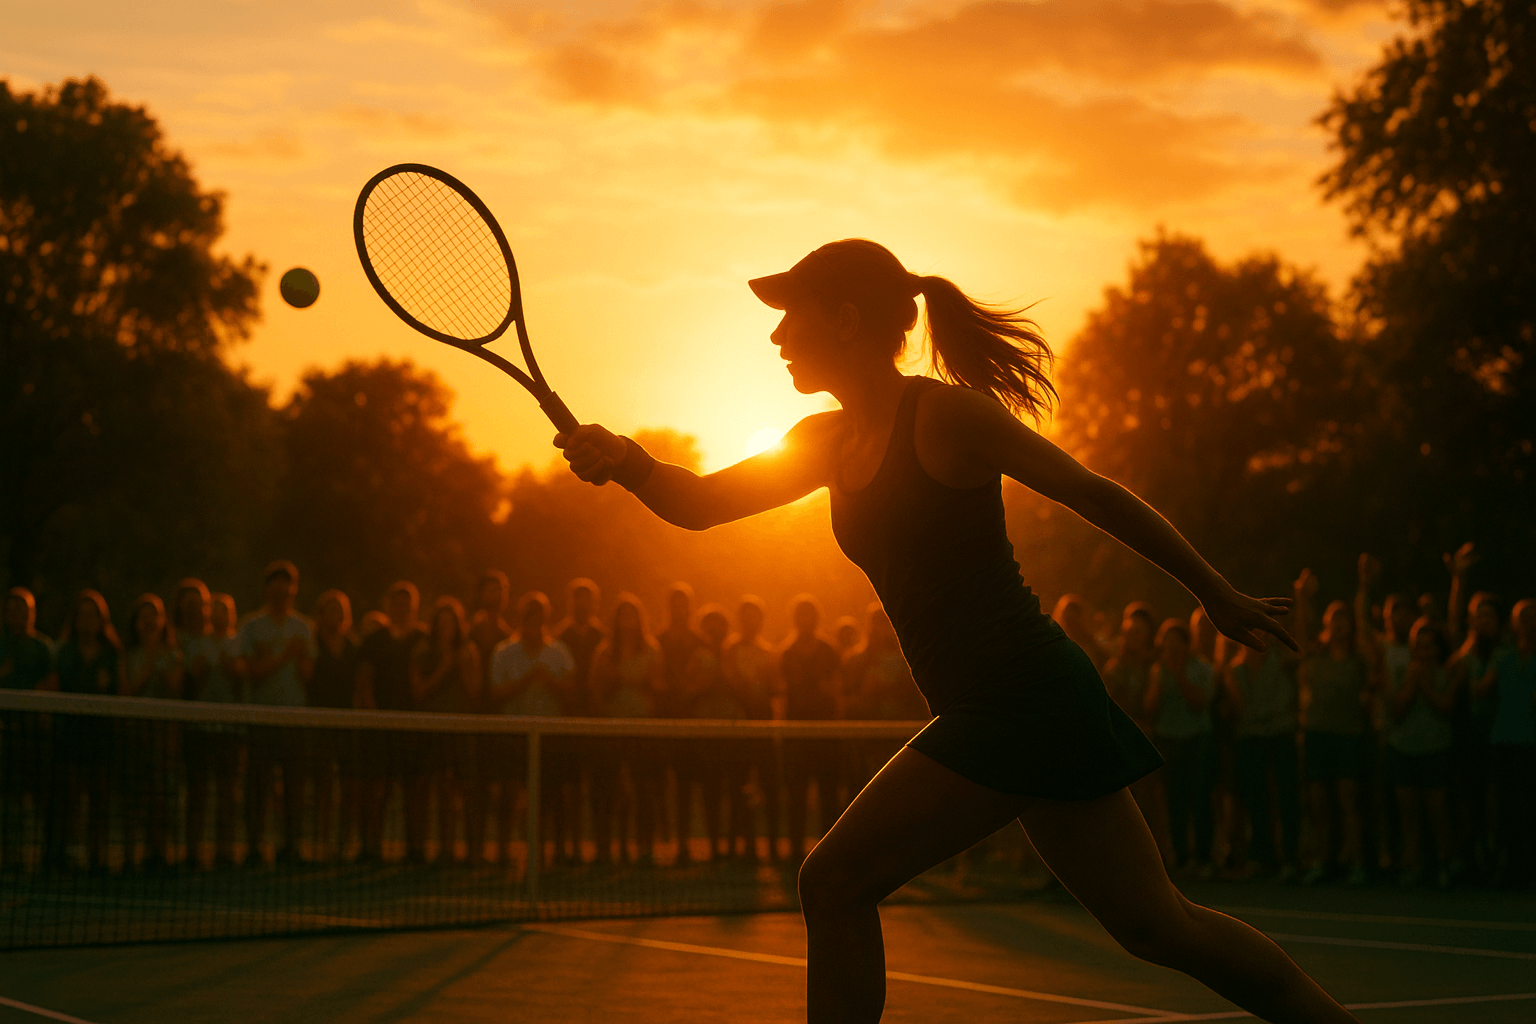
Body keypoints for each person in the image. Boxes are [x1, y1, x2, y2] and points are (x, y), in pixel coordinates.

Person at [556, 238, 1358, 1022]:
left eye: (788, 316)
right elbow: (699, 504)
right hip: (1016, 709)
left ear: (843, 320)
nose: (774, 336)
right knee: (1159, 928)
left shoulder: (946, 417)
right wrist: (625, 458)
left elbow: (1095, 494)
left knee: (832, 881)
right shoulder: (824, 442)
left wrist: (1213, 592)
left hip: (1021, 700)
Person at [1222, 576, 1304, 882]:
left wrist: (1300, 597)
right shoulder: (1234, 670)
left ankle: (1290, 857)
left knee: (1287, 798)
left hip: (1280, 734)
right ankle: (1262, 855)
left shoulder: (1283, 660)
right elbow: (1240, 710)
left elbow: (1302, 640)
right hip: (1251, 739)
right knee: (1256, 799)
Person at [1297, 584, 1378, 887]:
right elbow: (1301, 632)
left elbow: (1368, 632)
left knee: (1349, 801)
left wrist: (1362, 587)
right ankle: (1322, 860)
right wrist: (1303, 598)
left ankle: (1355, 862)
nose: (1340, 625)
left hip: (1349, 735)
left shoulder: (1359, 659)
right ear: (1326, 624)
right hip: (1317, 734)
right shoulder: (1315, 655)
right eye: (1335, 619)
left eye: (1346, 620)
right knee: (1318, 803)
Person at [489, 592, 574, 871]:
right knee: (509, 794)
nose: (534, 624)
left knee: (552, 797)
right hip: (514, 734)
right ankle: (503, 851)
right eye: (529, 618)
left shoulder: (559, 651)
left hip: (550, 736)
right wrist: (525, 680)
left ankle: (555, 852)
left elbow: (572, 692)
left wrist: (550, 681)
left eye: (539, 619)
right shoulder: (504, 652)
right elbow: (495, 693)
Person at [239, 561, 315, 866]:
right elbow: (252, 672)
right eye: (277, 585)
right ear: (266, 589)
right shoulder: (250, 626)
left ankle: (291, 846)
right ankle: (255, 847)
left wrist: (278, 658)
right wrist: (285, 655)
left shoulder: (304, 627)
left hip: (294, 720)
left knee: (294, 788)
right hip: (261, 720)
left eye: (288, 586)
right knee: (258, 788)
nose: (283, 592)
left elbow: (307, 673)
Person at [47, 590, 125, 872]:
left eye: (93, 615)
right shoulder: (63, 651)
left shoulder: (111, 653)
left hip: (101, 736)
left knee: (100, 800)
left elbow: (121, 692)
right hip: (70, 736)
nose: (88, 621)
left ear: (101, 620)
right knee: (69, 799)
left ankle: (98, 854)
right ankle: (64, 852)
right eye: (83, 615)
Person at [588, 593, 664, 865]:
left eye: (633, 615)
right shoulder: (604, 652)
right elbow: (597, 690)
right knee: (609, 792)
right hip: (612, 729)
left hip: (641, 730)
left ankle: (644, 848)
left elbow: (656, 685)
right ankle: (607, 849)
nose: (628, 621)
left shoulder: (652, 649)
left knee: (643, 791)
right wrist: (621, 681)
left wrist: (623, 676)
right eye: (623, 615)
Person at [357, 581, 428, 862]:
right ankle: (372, 848)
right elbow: (364, 681)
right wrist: (374, 717)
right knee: (378, 790)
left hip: (414, 729)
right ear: (388, 605)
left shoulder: (424, 638)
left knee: (414, 791)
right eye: (396, 603)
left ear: (414, 608)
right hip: (382, 728)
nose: (401, 609)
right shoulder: (374, 640)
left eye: (407, 604)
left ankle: (415, 849)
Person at [411, 596, 483, 864]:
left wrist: (463, 666)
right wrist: (445, 667)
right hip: (432, 728)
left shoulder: (468, 651)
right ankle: (443, 849)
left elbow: (475, 691)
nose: (446, 627)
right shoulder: (422, 650)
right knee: (437, 788)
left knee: (465, 789)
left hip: (461, 728)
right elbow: (419, 691)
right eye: (441, 622)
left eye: (451, 622)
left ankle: (472, 852)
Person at [1384, 618, 1456, 887]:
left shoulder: (1447, 671)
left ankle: (1444, 864)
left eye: (1429, 647)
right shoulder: (1403, 671)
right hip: (1404, 749)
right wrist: (1412, 683)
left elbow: (1446, 706)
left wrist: (1425, 685)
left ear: (1437, 648)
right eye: (1419, 647)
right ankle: (1411, 865)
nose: (1424, 653)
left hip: (1435, 749)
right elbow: (1397, 711)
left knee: (1438, 812)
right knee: (1409, 814)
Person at [177, 580, 244, 869]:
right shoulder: (195, 642)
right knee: (198, 792)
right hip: (200, 729)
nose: (217, 615)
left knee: (228, 792)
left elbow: (242, 677)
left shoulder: (238, 642)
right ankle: (192, 852)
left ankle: (226, 851)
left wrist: (233, 666)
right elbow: (194, 676)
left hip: (230, 729)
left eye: (224, 611)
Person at [1145, 619, 1216, 877]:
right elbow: (1150, 707)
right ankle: (1181, 857)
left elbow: (1200, 702)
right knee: (1174, 801)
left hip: (1197, 739)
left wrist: (1177, 674)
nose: (1171, 647)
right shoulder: (1158, 670)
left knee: (1200, 800)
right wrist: (1161, 677)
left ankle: (1204, 857)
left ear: (1187, 645)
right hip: (1169, 739)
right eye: (1167, 641)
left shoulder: (1201, 668)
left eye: (1176, 642)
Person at [1472, 599, 1536, 888]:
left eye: (1533, 616)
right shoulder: (1503, 655)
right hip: (1505, 739)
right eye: (1523, 617)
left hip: (1531, 740)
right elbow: (1480, 690)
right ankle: (1512, 866)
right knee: (1507, 806)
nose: (1529, 621)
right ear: (1513, 623)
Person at [121, 593, 183, 870]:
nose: (148, 622)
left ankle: (158, 853)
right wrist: (147, 667)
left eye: (154, 616)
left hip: (163, 736)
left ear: (162, 621)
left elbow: (176, 688)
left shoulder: (173, 654)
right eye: (143, 617)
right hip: (134, 735)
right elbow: (127, 692)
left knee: (161, 798)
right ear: (135, 623)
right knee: (134, 796)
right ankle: (128, 856)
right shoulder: (127, 655)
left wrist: (162, 661)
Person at [780, 595, 843, 862]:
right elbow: (781, 694)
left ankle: (829, 851)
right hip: (797, 736)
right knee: (797, 796)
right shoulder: (786, 653)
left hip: (825, 735)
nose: (805, 621)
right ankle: (795, 852)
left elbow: (837, 689)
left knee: (829, 796)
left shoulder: (829, 650)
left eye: (810, 615)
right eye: (801, 615)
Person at [682, 604, 747, 859]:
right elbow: (687, 691)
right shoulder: (697, 656)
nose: (715, 631)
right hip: (707, 732)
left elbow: (748, 692)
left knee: (735, 790)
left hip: (734, 732)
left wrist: (731, 676)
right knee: (710, 791)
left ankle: (733, 846)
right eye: (710, 626)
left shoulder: (736, 654)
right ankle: (714, 846)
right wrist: (703, 682)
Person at [723, 595, 783, 861]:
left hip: (763, 726)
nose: (750, 622)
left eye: (754, 617)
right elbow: (730, 684)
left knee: (770, 787)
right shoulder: (730, 650)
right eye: (745, 617)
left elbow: (775, 689)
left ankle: (771, 846)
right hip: (739, 728)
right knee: (738, 787)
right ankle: (742, 847)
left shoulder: (769, 653)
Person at [552, 578, 605, 862]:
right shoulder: (558, 636)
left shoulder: (604, 637)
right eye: (577, 599)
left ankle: (597, 849)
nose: (582, 605)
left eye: (588, 599)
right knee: (565, 789)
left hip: (597, 722)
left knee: (598, 789)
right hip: (566, 722)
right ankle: (565, 847)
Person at [1, 588, 54, 871]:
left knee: (38, 797)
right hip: (5, 735)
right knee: (8, 798)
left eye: (24, 610)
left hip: (35, 737)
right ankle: (9, 856)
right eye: (13, 610)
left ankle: (40, 855)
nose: (19, 616)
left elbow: (52, 685)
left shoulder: (43, 647)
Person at [309, 590, 362, 863]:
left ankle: (344, 842)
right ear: (321, 615)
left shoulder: (354, 647)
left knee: (349, 787)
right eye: (330, 611)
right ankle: (322, 842)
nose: (335, 616)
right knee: (323, 786)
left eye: (340, 611)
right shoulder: (312, 642)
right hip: (319, 724)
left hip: (347, 725)